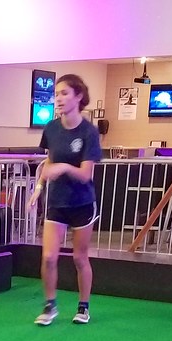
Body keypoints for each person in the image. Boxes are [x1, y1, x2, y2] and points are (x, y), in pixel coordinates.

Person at [28, 73, 102, 325]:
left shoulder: (89, 132)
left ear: (78, 97)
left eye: (64, 93)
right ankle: (50, 306)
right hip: (56, 202)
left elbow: (84, 174)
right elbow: (50, 160)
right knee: (49, 257)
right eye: (56, 94)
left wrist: (64, 168)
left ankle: (83, 307)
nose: (58, 99)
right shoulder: (51, 128)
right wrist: (39, 186)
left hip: (82, 203)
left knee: (80, 258)